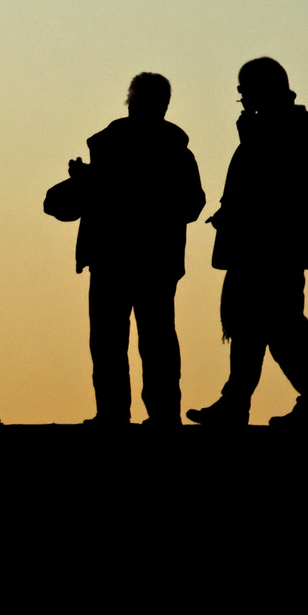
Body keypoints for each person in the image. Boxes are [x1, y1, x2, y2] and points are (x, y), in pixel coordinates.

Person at [53, 73, 205, 427]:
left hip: (112, 259)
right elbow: (192, 205)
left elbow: (63, 204)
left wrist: (88, 182)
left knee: (115, 342)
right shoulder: (175, 153)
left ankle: (116, 414)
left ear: (131, 100)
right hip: (155, 261)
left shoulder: (109, 150)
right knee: (155, 340)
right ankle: (159, 414)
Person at [187, 57, 308, 427]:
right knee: (250, 327)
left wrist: (249, 137)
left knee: (282, 327)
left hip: (273, 249)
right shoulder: (274, 125)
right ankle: (236, 402)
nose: (240, 94)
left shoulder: (283, 127)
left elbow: (273, 182)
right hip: (259, 248)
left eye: (245, 86)